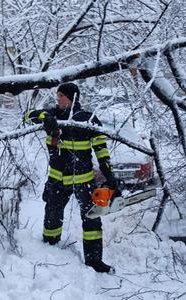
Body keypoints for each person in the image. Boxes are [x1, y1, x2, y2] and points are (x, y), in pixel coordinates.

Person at [24, 82, 120, 273]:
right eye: (57, 95)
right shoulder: (52, 115)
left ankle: (94, 261)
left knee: (92, 220)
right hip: (56, 179)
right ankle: (49, 248)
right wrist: (45, 117)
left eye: (62, 96)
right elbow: (27, 116)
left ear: (72, 98)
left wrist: (110, 176)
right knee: (52, 216)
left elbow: (101, 150)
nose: (58, 99)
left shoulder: (87, 119)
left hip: (83, 180)